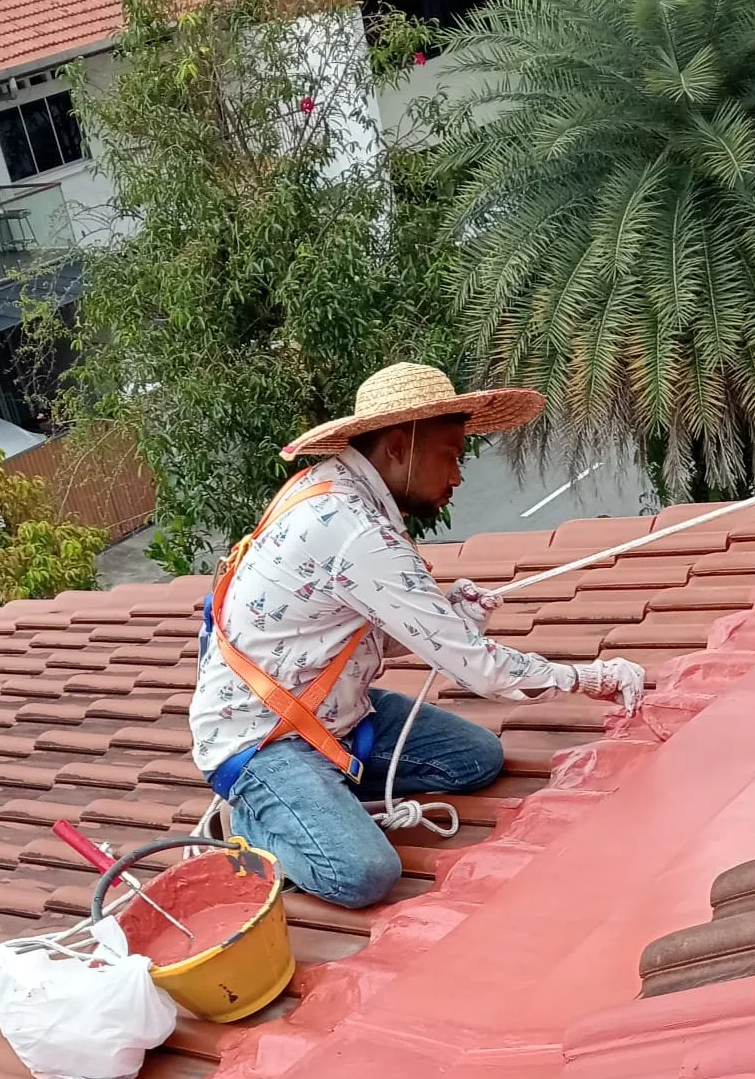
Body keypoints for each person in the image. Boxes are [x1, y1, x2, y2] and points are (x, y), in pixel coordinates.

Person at [190, 362, 646, 910]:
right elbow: (478, 670)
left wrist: (450, 615)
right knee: (363, 872)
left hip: (334, 710)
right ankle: (256, 819)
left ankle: (320, 795)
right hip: (264, 739)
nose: (457, 476)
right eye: (451, 455)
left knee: (476, 760)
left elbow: (364, 633)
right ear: (399, 447)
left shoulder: (330, 489)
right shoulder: (355, 528)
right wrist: (591, 677)